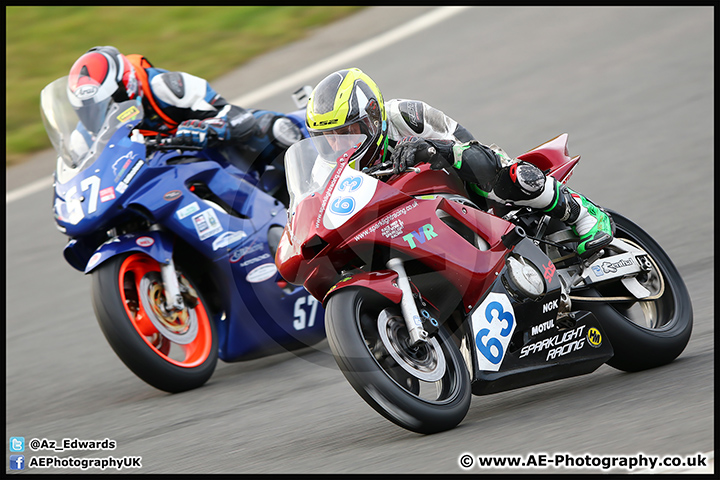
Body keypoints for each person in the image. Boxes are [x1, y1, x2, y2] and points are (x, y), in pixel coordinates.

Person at [304, 67, 613, 256]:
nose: (336, 143)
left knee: (506, 175)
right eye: (327, 136)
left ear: (373, 116)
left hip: (456, 187)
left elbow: (469, 146)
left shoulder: (404, 115)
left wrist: (429, 149)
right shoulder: (326, 166)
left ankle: (583, 214)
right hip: (400, 222)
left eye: (346, 132)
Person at [66, 45, 302, 170]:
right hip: (151, 177)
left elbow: (237, 116)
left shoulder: (165, 86)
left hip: (209, 159)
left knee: (269, 127)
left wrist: (207, 128)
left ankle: (318, 182)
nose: (96, 113)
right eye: (87, 108)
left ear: (126, 87)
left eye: (104, 103)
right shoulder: (85, 135)